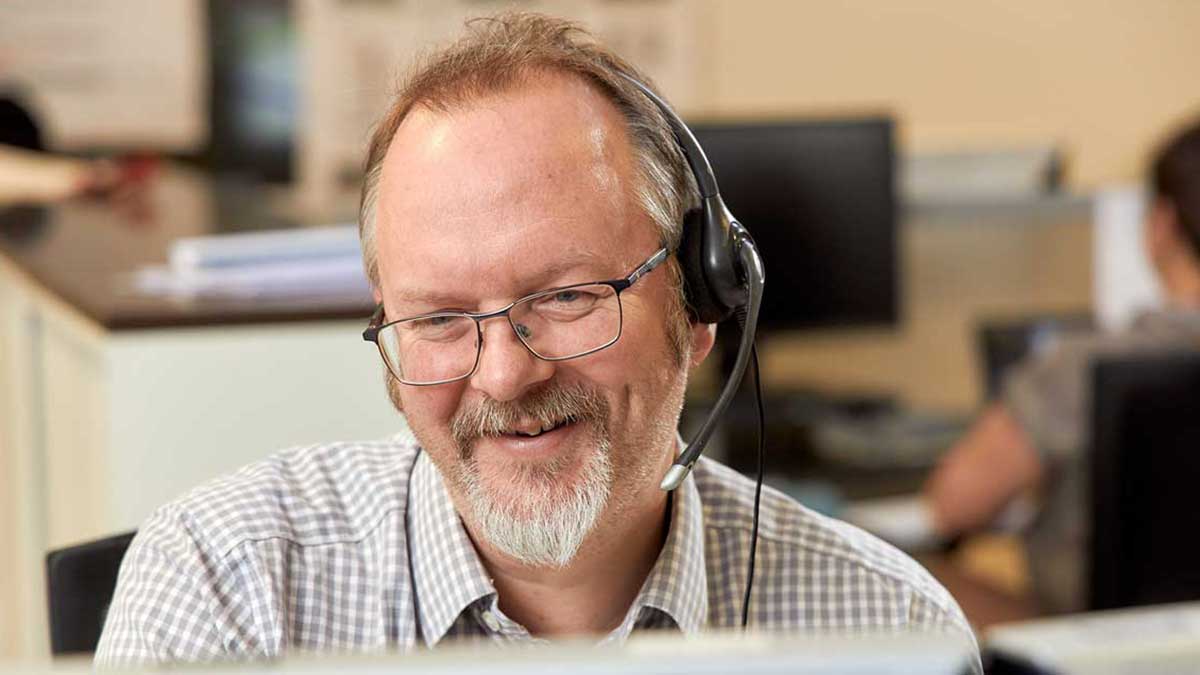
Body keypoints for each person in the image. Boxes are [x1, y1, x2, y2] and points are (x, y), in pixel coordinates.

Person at [97, 13, 977, 667]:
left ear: (700, 304)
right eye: (439, 318)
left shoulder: (886, 625)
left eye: (566, 296)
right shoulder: (227, 590)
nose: (507, 373)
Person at [924, 116, 1200, 612]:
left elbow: (953, 505)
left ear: (1160, 224)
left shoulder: (1083, 366)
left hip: (1095, 640)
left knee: (926, 581)